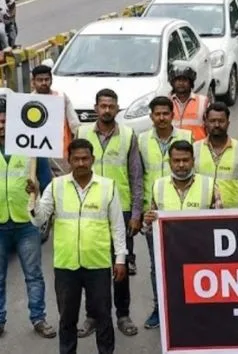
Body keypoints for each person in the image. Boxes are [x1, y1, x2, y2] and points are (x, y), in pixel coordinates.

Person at [31, 139, 128, 354]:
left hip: (98, 263)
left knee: (103, 316)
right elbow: (39, 220)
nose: (81, 163)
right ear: (69, 161)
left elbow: (118, 226)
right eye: (76, 159)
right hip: (66, 265)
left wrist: (120, 259)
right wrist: (34, 197)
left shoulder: (107, 186)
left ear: (93, 159)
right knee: (67, 318)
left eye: (85, 158)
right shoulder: (56, 186)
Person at [75, 89, 141, 338]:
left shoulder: (128, 135)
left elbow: (135, 177)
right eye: (102, 106)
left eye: (111, 106)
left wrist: (135, 213)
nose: (106, 110)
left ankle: (123, 315)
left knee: (120, 266)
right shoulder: (82, 133)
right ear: (95, 108)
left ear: (117, 108)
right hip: (89, 210)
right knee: (92, 267)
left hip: (120, 211)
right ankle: (93, 316)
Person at [0, 99, 56, 338]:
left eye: (4, 121)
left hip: (25, 223)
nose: (1, 126)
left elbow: (47, 182)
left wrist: (37, 194)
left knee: (33, 274)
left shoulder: (31, 148)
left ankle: (38, 318)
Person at [137, 97, 192, 330]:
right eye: (156, 114)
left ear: (172, 115)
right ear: (151, 116)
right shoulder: (141, 140)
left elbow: (193, 170)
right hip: (156, 213)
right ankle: (160, 308)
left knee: (190, 263)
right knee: (157, 265)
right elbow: (137, 176)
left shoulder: (187, 137)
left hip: (186, 212)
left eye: (165, 113)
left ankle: (190, 307)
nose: (161, 118)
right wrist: (140, 211)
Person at [193, 102, 238, 208]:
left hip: (232, 214)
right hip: (202, 212)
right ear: (205, 123)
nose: (216, 125)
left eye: (221, 121)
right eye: (212, 121)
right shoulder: (195, 148)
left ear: (228, 123)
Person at [169, 64, 209, 141]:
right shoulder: (167, 103)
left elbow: (211, 128)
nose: (181, 83)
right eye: (178, 79)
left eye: (184, 80)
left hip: (198, 149)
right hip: (175, 150)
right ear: (172, 83)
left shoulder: (203, 102)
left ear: (191, 82)